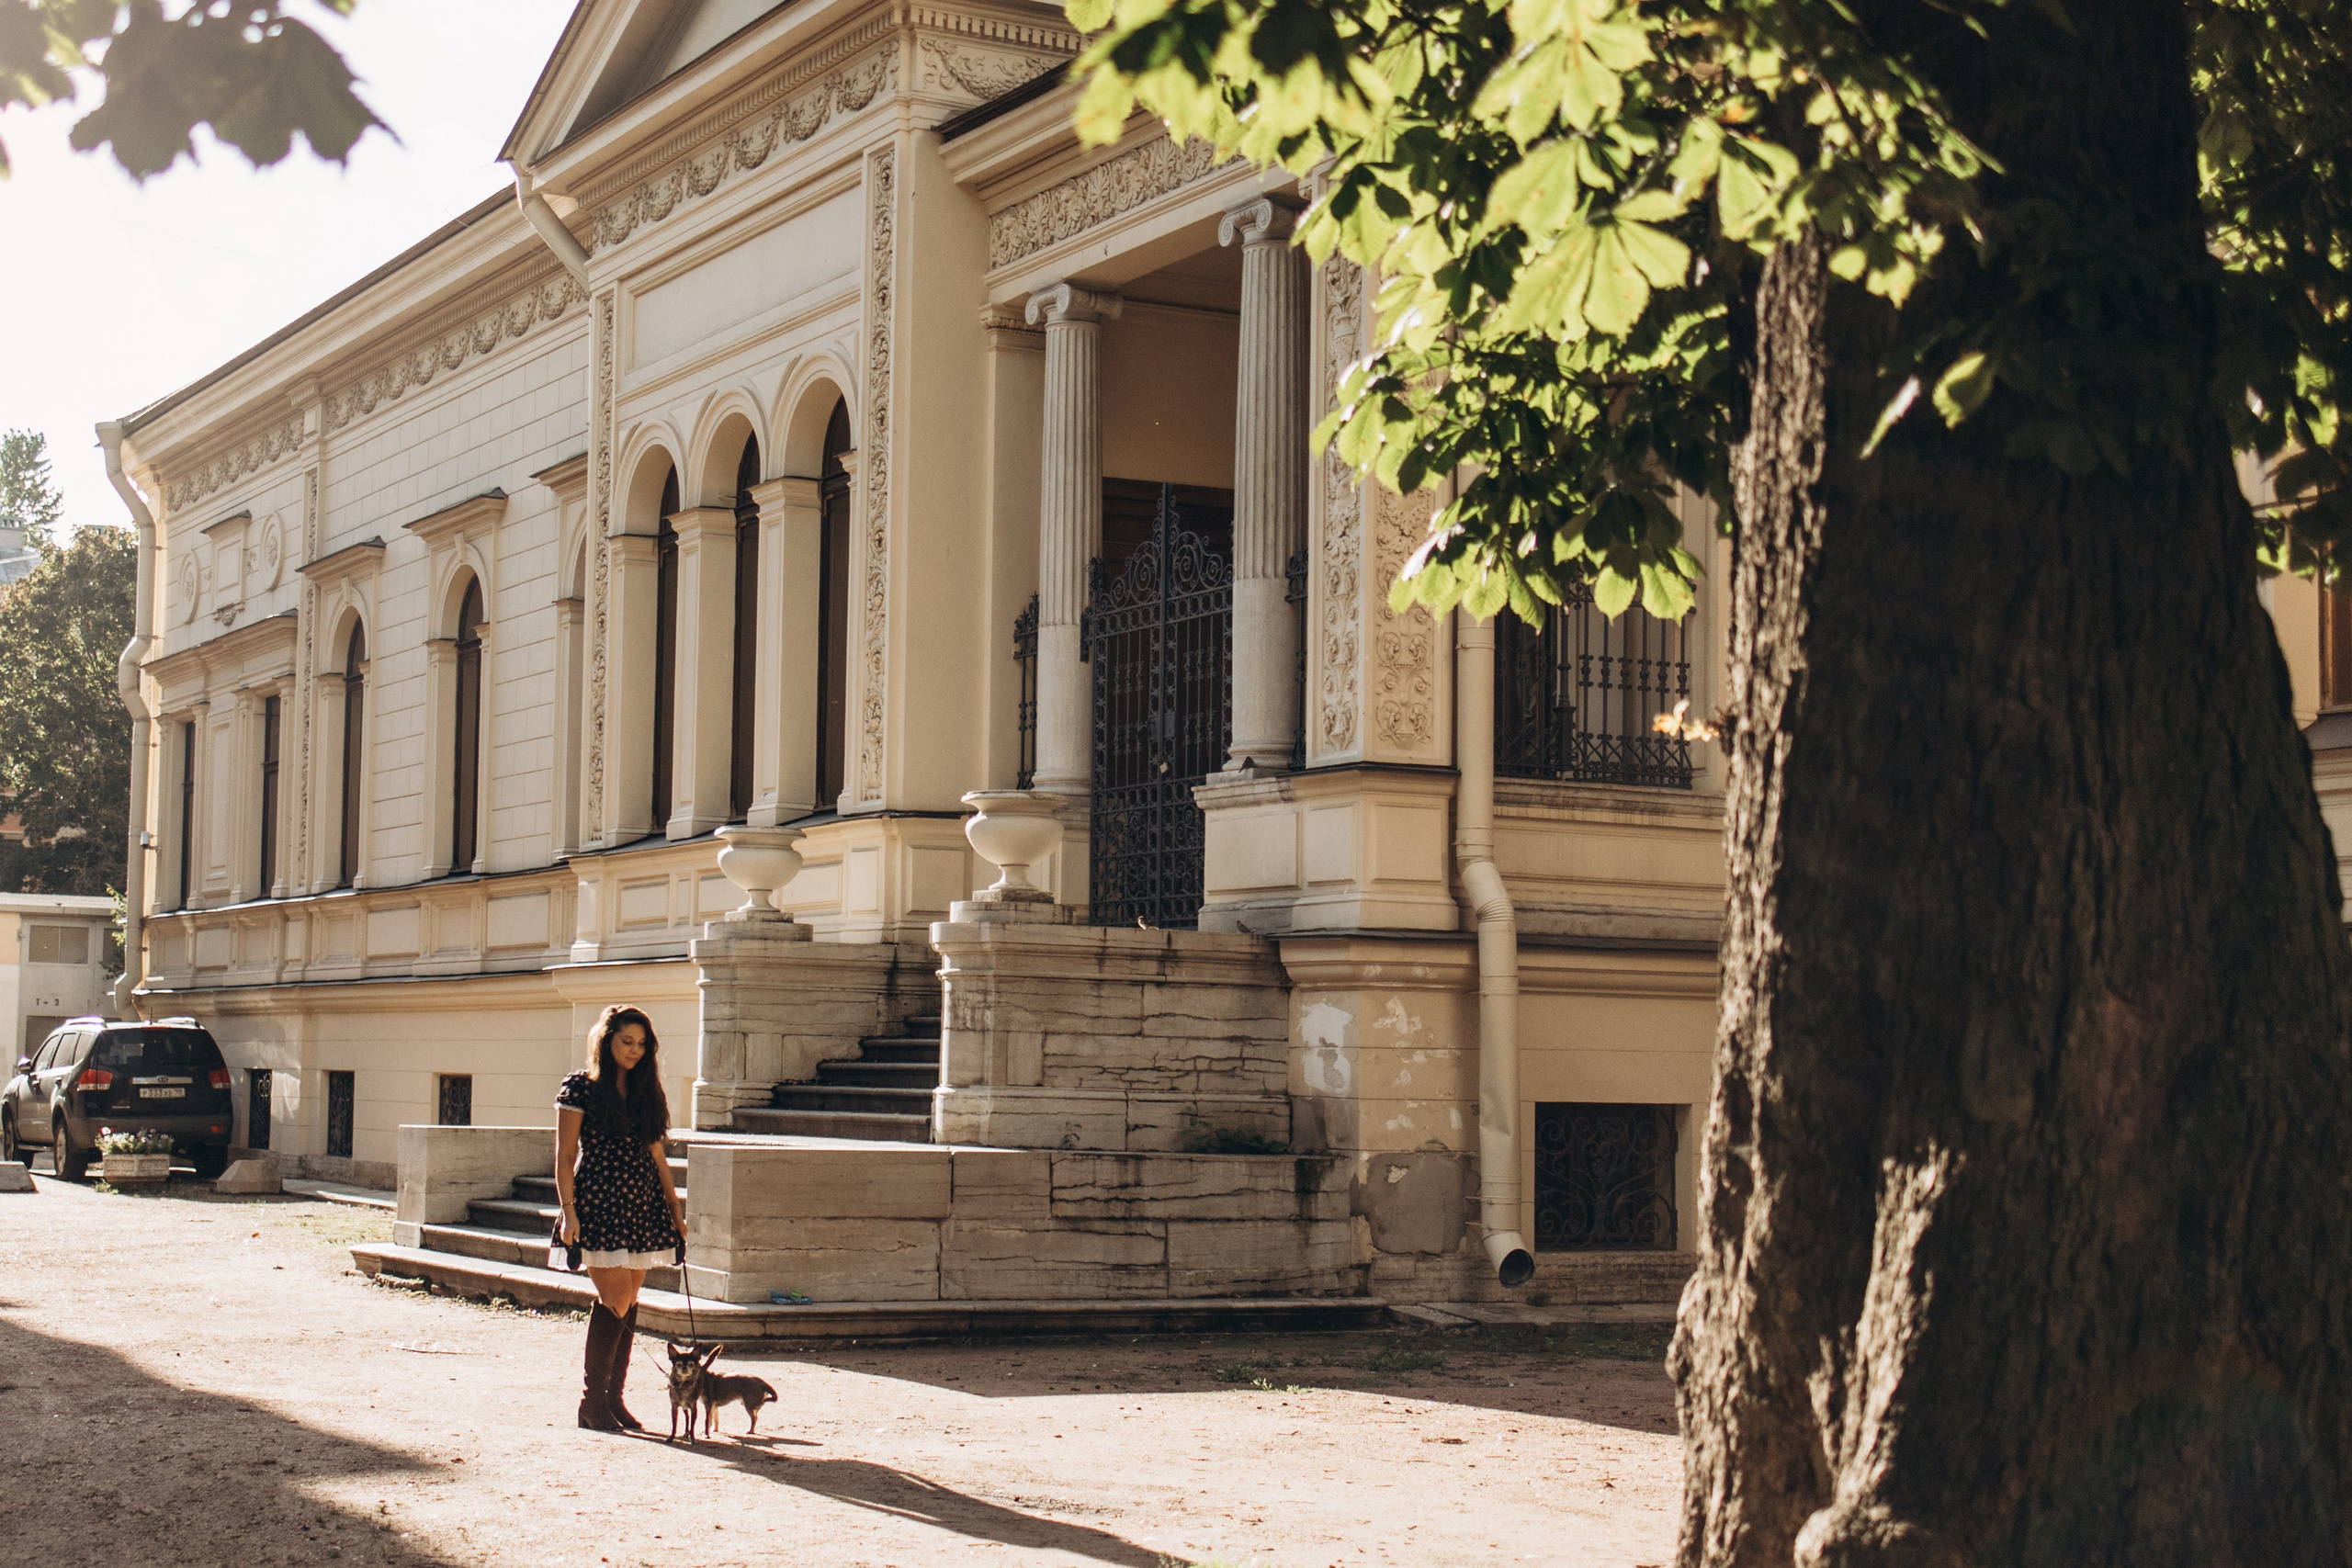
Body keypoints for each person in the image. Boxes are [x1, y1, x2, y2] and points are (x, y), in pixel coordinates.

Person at [555, 1004, 684, 1432]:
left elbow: (657, 1153)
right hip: (599, 1202)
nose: (633, 1050)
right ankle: (592, 1404)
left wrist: (674, 1208)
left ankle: (613, 1400)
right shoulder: (581, 1087)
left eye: (641, 1043)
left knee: (629, 1302)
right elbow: (566, 1154)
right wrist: (568, 1212)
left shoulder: (646, 1089)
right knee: (613, 1300)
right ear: (606, 1040)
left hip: (641, 1205)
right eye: (626, 1041)